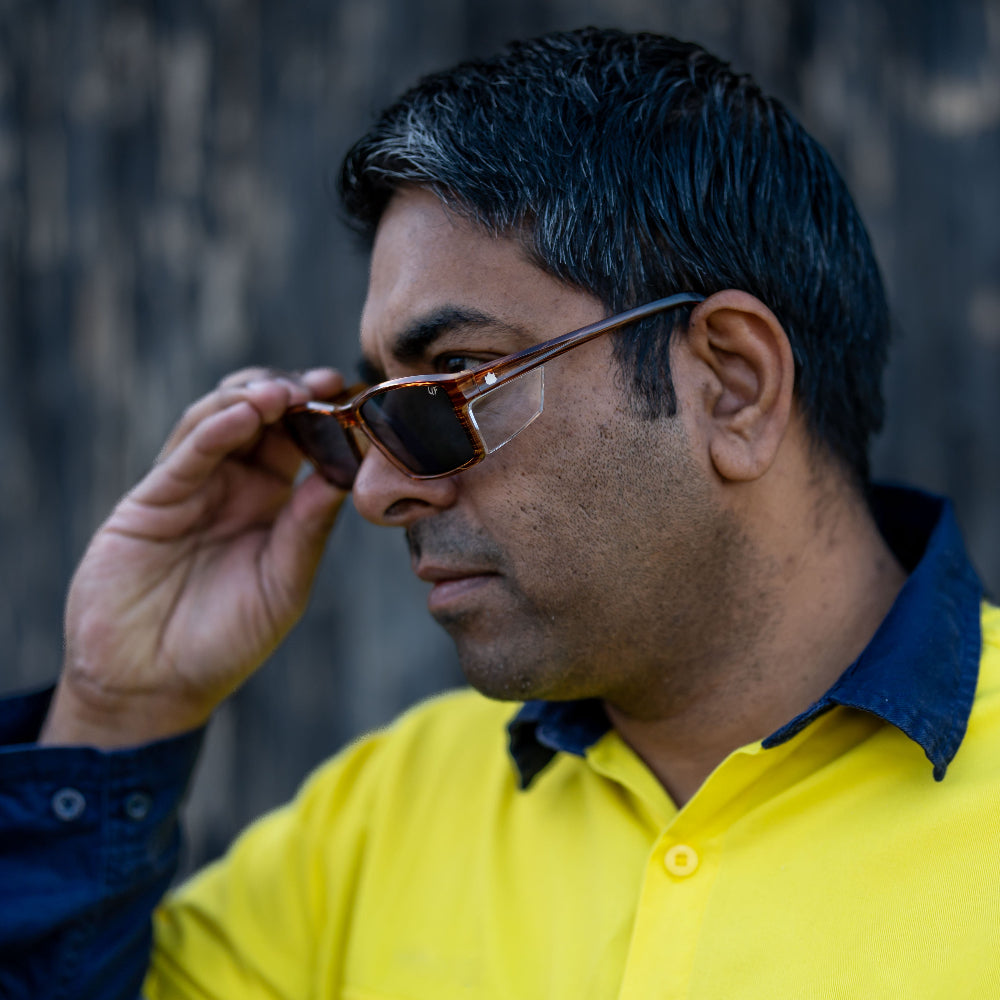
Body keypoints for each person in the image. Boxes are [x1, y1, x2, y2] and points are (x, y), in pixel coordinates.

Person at [2, 26, 998, 1000]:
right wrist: (117, 711)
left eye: (449, 384)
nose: (377, 491)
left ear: (732, 386)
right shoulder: (372, 826)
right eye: (367, 416)